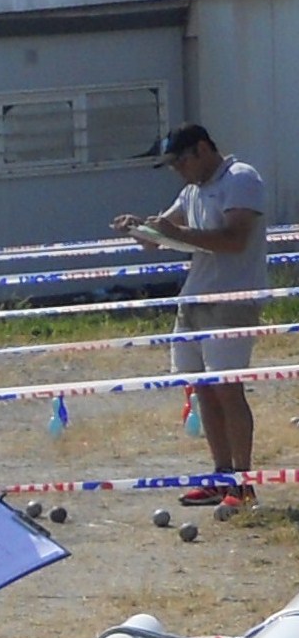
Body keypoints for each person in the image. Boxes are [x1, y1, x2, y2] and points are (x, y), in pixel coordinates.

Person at [117, 124, 268, 515]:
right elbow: (159, 235)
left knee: (227, 390)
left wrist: (176, 231)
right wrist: (139, 227)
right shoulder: (191, 191)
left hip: (231, 299)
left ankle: (242, 482)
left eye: (180, 162)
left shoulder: (241, 179)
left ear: (202, 149)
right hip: (194, 298)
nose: (178, 171)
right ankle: (220, 476)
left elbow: (234, 240)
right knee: (201, 388)